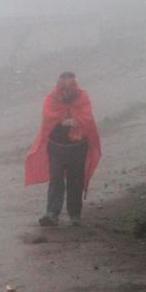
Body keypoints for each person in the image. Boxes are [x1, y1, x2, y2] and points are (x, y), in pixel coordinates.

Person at [25, 72, 101, 226]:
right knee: (56, 179)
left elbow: (87, 118)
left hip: (78, 148)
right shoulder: (52, 98)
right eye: (63, 89)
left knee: (75, 181)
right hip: (56, 147)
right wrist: (62, 120)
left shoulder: (82, 97)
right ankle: (52, 214)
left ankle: (75, 215)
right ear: (58, 87)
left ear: (74, 87)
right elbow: (47, 117)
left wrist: (75, 120)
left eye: (69, 89)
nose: (66, 92)